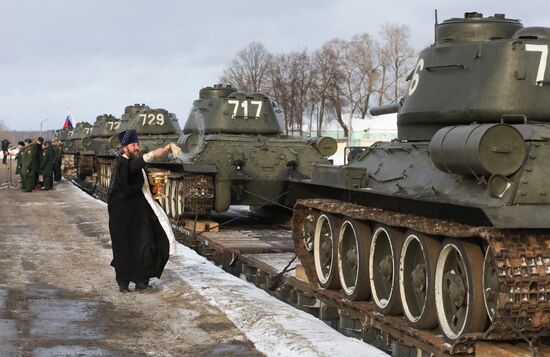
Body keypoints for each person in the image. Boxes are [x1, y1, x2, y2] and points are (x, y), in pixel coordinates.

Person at [107, 129, 173, 293]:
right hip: (123, 214)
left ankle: (140, 280)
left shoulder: (132, 161)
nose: (137, 147)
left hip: (138, 213)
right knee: (126, 248)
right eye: (133, 145)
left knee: (146, 245)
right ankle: (125, 281)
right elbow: (132, 169)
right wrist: (153, 154)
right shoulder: (123, 163)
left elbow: (137, 178)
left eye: (137, 144)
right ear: (125, 148)